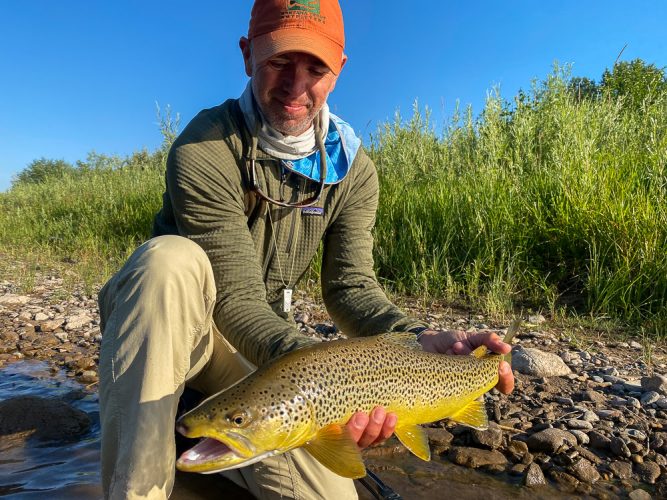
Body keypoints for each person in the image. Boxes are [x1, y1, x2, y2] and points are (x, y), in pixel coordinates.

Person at [97, 0, 514, 499]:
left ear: (338, 71)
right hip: (177, 330)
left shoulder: (354, 172)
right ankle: (137, 483)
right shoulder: (205, 146)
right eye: (278, 62)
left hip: (265, 358)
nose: (296, 86)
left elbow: (351, 288)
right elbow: (236, 299)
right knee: (168, 261)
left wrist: (415, 340)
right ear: (248, 55)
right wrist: (327, 380)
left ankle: (198, 448)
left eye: (315, 67)